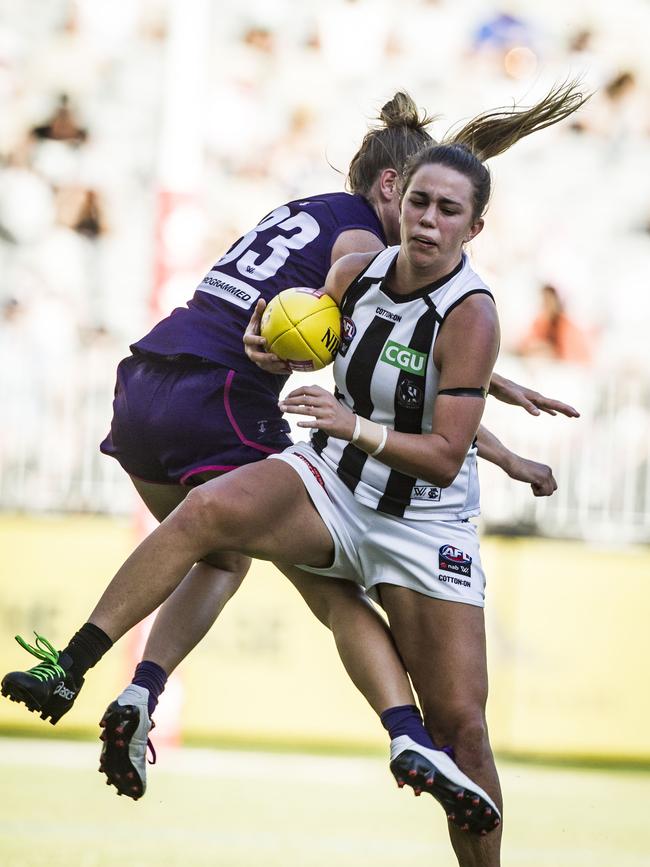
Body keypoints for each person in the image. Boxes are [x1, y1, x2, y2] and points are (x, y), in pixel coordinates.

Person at [2, 86, 584, 856]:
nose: (427, 220)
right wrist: (276, 336)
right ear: (397, 196)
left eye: (448, 211)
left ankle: (415, 737)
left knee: (465, 732)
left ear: (476, 229)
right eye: (420, 202)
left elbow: (441, 437)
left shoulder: (474, 314)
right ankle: (78, 665)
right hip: (333, 480)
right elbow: (330, 322)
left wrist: (491, 440)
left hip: (418, 517)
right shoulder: (359, 260)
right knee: (215, 522)